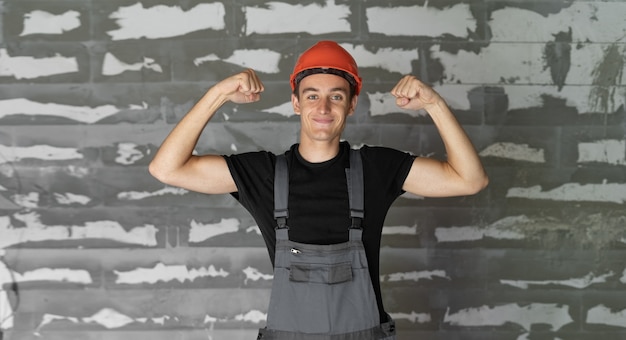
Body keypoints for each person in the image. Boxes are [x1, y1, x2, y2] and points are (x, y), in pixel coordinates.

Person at [149, 40, 488, 339]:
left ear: (352, 105)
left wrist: (434, 104)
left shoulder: (376, 169)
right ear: (296, 103)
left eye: (335, 96)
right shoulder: (264, 174)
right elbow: (166, 168)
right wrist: (217, 94)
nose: (323, 108)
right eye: (312, 96)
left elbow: (469, 180)